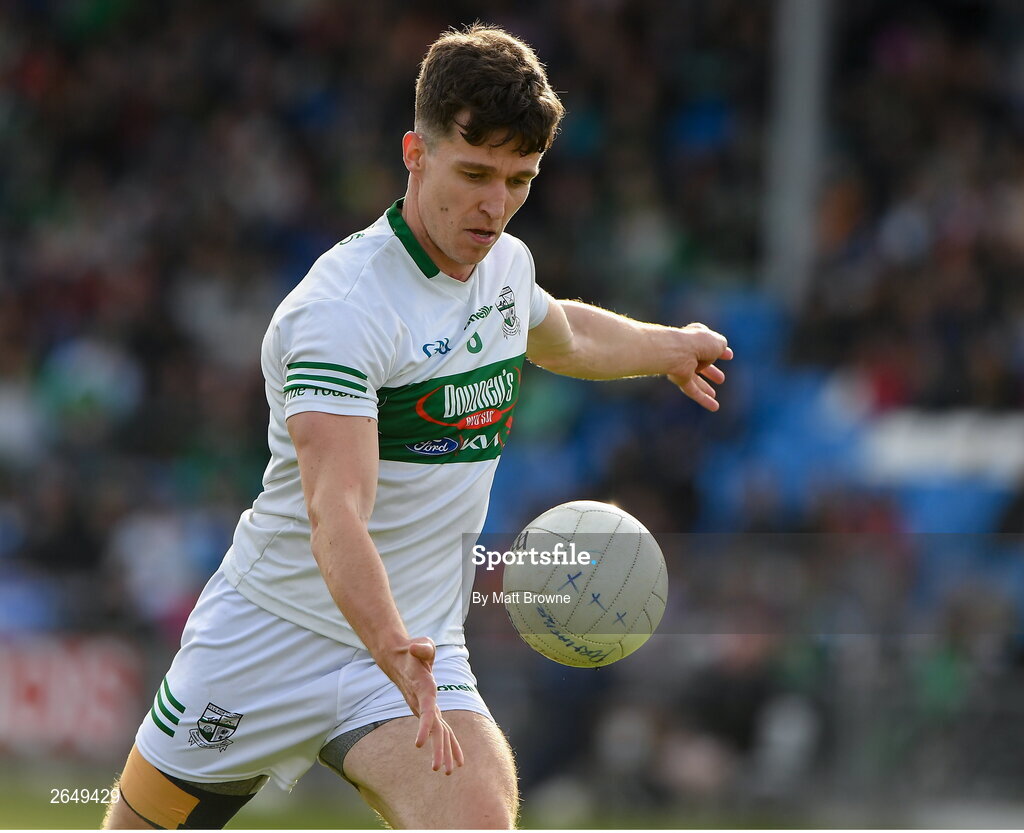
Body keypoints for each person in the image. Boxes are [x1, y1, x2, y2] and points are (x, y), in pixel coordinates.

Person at [103, 22, 732, 830]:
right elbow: (337, 515)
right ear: (415, 154)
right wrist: (391, 643)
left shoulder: (504, 269)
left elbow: (564, 335)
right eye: (473, 173)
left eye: (519, 179)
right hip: (268, 640)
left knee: (478, 817)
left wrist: (665, 347)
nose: (495, 205)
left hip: (417, 654)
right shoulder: (341, 313)